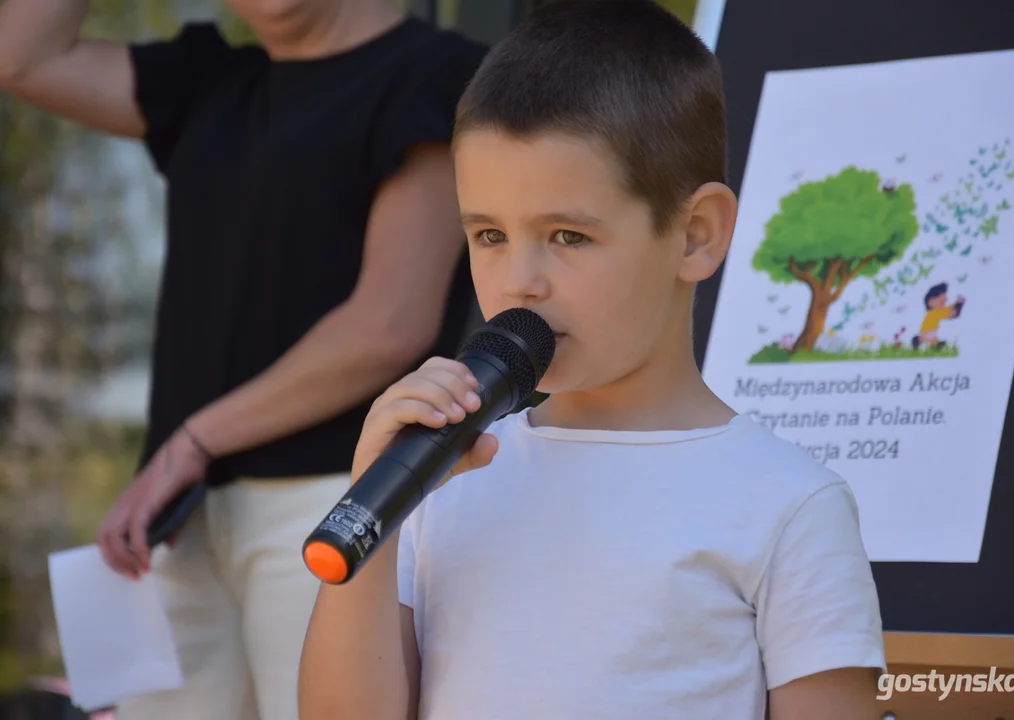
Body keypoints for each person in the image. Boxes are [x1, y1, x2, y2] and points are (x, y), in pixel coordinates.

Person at [298, 1, 887, 718]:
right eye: (488, 236)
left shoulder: (788, 505)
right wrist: (373, 507)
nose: (520, 280)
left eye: (568, 237)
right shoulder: (443, 479)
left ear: (695, 235)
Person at [0, 1, 486, 718]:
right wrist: (186, 457)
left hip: (335, 496)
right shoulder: (211, 81)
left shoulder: (438, 76)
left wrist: (195, 440)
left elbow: (389, 323)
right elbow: (20, 56)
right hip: (175, 519)